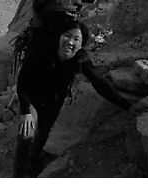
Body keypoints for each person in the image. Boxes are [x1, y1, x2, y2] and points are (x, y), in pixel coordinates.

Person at [12, 17, 132, 177]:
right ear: (59, 36)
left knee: (42, 134)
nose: (70, 42)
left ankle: (33, 163)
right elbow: (23, 81)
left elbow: (100, 84)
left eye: (76, 39)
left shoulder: (81, 59)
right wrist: (26, 111)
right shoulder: (42, 49)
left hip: (54, 101)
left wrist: (127, 106)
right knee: (26, 135)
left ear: (81, 44)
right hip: (32, 97)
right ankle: (19, 174)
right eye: (67, 35)